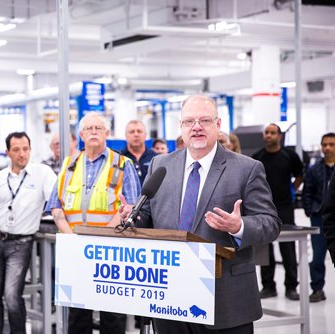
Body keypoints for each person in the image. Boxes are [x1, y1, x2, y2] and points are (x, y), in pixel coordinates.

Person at [120, 95, 280, 333]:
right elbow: (148, 213)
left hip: (226, 299)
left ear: (218, 125)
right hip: (170, 297)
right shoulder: (160, 165)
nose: (196, 127)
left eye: (204, 120)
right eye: (189, 121)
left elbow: (270, 223)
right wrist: (132, 216)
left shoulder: (247, 168)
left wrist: (239, 227)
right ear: (181, 127)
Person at [46, 112, 141, 334]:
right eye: (89, 129)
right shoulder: (69, 165)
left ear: (107, 133)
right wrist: (71, 238)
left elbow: (131, 207)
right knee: (78, 312)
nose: (94, 132)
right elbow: (56, 207)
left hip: (111, 251)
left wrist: (103, 237)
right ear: (81, 134)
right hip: (76, 250)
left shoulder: (121, 164)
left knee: (112, 313)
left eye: (98, 128)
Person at [0, 132, 56, 333]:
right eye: (16, 150)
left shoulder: (42, 173)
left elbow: (56, 200)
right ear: (7, 153)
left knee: (12, 296)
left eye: (25, 149)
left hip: (20, 244)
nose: (22, 154)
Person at [252, 123, 303, 301]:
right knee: (265, 247)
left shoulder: (289, 155)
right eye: (267, 132)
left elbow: (300, 174)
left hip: (284, 207)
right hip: (263, 208)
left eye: (273, 133)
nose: (269, 135)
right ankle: (268, 286)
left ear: (279, 136)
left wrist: (292, 190)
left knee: (287, 248)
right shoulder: (257, 157)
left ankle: (291, 287)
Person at [302, 132, 335, 302]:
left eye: (331, 144)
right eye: (325, 144)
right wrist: (310, 210)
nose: (327, 148)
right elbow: (307, 191)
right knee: (317, 256)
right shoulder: (314, 169)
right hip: (320, 217)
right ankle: (317, 289)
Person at [121, 120, 157, 184]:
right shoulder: (118, 158)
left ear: (145, 135)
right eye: (132, 132)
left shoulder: (155, 158)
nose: (136, 134)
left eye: (139, 131)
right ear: (126, 135)